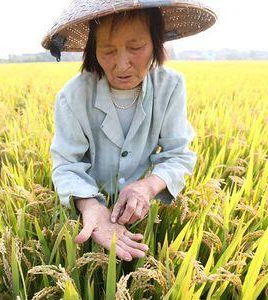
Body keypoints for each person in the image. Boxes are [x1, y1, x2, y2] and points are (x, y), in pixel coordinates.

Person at [41, 0, 216, 261]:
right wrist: (91, 207)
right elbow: (66, 165)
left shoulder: (170, 87)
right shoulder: (73, 97)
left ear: (156, 43)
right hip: (87, 206)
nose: (122, 64)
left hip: (144, 210)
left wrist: (146, 187)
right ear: (92, 50)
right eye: (108, 51)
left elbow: (178, 154)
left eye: (136, 47)